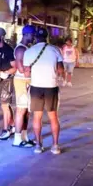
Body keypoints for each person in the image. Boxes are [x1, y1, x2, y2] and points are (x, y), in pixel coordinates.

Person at [22, 27, 64, 155]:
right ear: (47, 37)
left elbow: (26, 73)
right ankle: (55, 146)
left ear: (35, 38)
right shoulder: (55, 50)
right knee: (53, 117)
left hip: (36, 87)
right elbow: (61, 70)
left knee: (37, 117)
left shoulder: (29, 51)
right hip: (51, 87)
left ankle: (38, 146)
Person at [11, 25, 36, 148]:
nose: (34, 37)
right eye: (32, 35)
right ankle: (17, 139)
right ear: (26, 35)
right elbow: (21, 69)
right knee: (21, 110)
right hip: (22, 81)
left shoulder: (26, 48)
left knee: (26, 112)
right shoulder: (21, 49)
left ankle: (24, 137)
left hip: (26, 81)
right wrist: (33, 68)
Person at [0, 27, 16, 141]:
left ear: (1, 36)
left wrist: (4, 73)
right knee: (5, 105)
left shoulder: (8, 50)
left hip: (7, 80)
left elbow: (15, 67)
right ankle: (13, 126)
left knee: (5, 106)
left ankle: (6, 130)